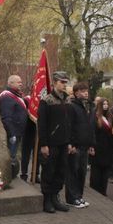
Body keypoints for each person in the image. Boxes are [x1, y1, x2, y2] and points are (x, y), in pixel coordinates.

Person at [37, 71, 71, 213]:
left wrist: (69, 142)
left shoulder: (67, 100)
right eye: (61, 82)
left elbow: (69, 124)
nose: (64, 85)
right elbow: (42, 124)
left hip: (64, 143)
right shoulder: (47, 100)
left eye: (65, 82)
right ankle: (47, 201)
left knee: (61, 171)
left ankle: (55, 198)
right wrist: (44, 144)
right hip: (51, 144)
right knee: (48, 172)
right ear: (55, 83)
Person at [65, 82, 96, 208]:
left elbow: (90, 127)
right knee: (73, 172)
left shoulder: (87, 107)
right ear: (76, 93)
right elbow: (69, 126)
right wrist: (70, 143)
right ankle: (71, 198)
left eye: (86, 91)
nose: (86, 93)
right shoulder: (72, 106)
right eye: (83, 91)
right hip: (75, 146)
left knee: (82, 173)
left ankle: (79, 196)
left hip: (85, 145)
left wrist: (91, 144)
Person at [0, 75, 29, 178]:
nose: (21, 83)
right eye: (18, 82)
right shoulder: (7, 96)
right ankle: (7, 177)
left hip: (17, 132)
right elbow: (6, 117)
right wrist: (12, 134)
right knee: (10, 157)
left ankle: (10, 176)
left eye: (21, 82)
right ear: (10, 83)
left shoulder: (16, 96)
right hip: (12, 133)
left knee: (13, 155)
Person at [90, 98, 113, 196]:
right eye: (104, 104)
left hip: (108, 148)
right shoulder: (95, 116)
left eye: (107, 104)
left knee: (105, 171)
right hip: (97, 147)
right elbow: (92, 131)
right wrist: (92, 145)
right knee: (96, 171)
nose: (106, 106)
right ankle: (95, 191)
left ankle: (103, 191)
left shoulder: (109, 116)